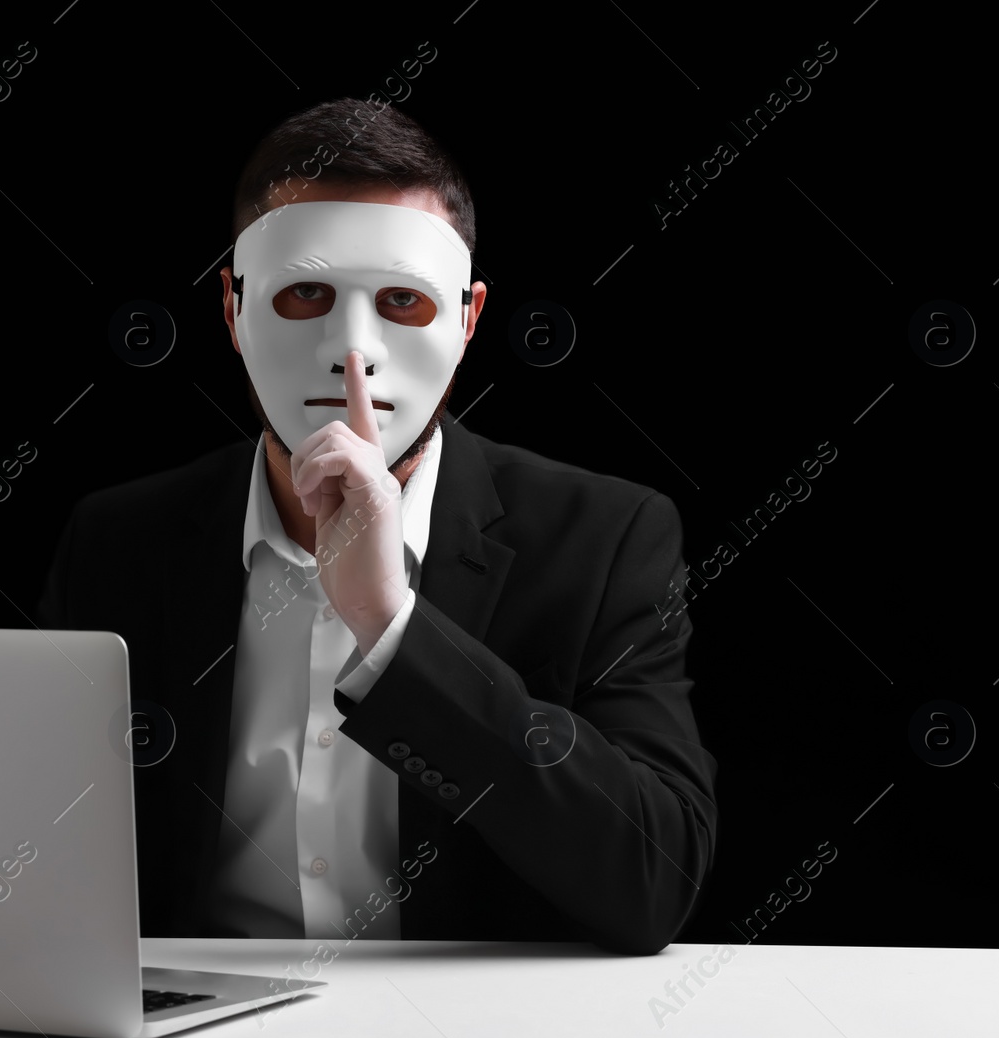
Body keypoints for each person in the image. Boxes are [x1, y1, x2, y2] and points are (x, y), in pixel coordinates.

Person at [36, 98, 718, 955]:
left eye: (402, 300)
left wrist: (393, 628)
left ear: (467, 320)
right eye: (305, 293)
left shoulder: (605, 538)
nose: (348, 352)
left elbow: (656, 879)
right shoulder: (119, 539)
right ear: (231, 308)